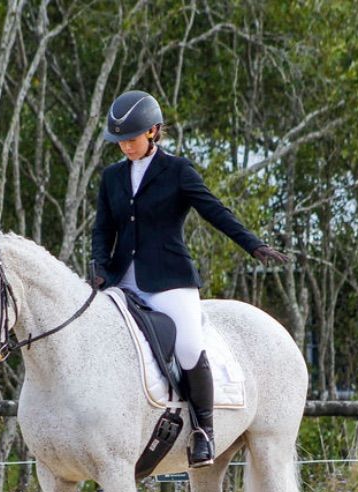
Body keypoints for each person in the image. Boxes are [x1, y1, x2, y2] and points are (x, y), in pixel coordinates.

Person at [91, 90, 290, 468]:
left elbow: (215, 211)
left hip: (169, 281)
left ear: (153, 131)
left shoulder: (177, 171)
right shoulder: (111, 177)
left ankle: (204, 431)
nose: (125, 147)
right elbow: (102, 229)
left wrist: (254, 246)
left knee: (187, 348)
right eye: (119, 142)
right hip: (121, 280)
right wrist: (99, 265)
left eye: (132, 139)